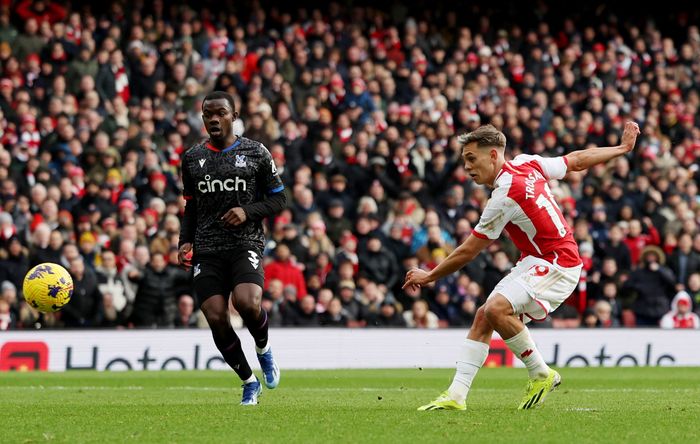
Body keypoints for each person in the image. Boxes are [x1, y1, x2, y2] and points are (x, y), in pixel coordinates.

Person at [403, 121, 640, 411]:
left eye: (471, 158)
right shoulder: (528, 163)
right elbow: (575, 161)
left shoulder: (505, 195)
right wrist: (621, 148)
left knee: (495, 309)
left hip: (559, 263)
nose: (466, 167)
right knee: (484, 316)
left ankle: (540, 373)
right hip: (537, 260)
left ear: (493, 155)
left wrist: (430, 276)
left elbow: (469, 250)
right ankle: (456, 395)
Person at [178, 91, 287, 406]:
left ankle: (263, 349)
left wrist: (247, 212)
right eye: (208, 114)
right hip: (208, 247)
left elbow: (279, 199)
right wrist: (185, 240)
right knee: (215, 315)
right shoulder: (192, 158)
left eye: (221, 113)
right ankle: (249, 382)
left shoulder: (256, 152)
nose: (214, 119)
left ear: (234, 116)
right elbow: (191, 206)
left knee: (247, 303)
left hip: (244, 242)